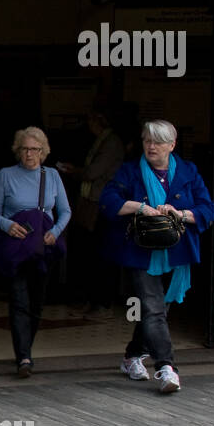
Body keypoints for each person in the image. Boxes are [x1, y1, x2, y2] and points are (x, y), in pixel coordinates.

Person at [100, 120, 214, 394]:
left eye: (158, 141)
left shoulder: (189, 171)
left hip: (177, 252)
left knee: (159, 311)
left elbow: (207, 209)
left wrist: (180, 213)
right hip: (141, 253)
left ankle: (131, 357)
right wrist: (141, 208)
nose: (151, 146)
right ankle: (166, 367)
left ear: (172, 145)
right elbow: (108, 200)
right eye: (147, 140)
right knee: (153, 309)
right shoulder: (129, 171)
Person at [0, 127, 72, 377]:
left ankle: (26, 348)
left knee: (37, 302)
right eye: (25, 148)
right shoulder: (6, 175)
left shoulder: (53, 176)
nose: (29, 154)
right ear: (18, 150)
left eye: (34, 149)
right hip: (16, 247)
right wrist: (9, 225)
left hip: (42, 248)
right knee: (19, 300)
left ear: (43, 151)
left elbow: (66, 211)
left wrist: (55, 232)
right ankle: (23, 356)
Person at [58, 106, 125, 317]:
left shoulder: (110, 143)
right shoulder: (102, 141)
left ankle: (101, 301)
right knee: (89, 250)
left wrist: (74, 171)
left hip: (101, 203)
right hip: (91, 201)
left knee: (99, 251)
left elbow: (93, 172)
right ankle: (90, 298)